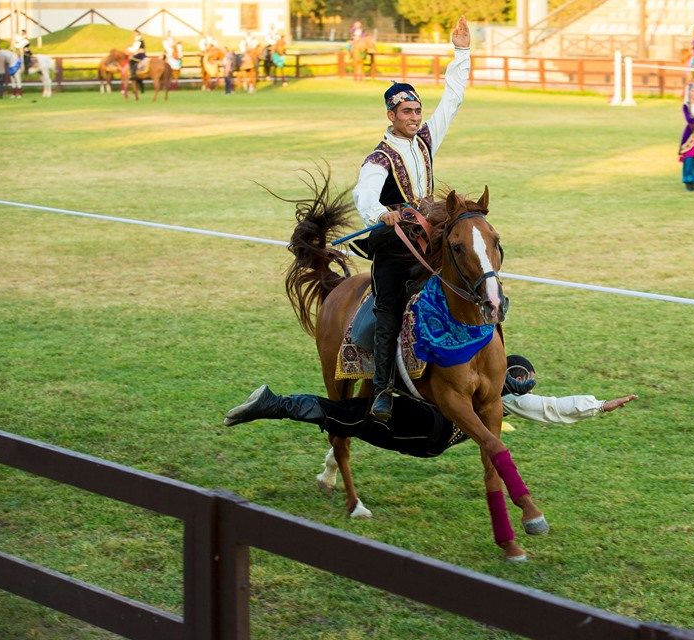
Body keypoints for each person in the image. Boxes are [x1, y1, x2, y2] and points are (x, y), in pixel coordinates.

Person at [350, 16, 471, 423]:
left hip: (429, 238)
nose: (415, 116)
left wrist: (461, 51)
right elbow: (364, 194)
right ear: (391, 114)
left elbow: (452, 99)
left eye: (417, 110)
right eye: (407, 111)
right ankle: (382, 389)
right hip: (394, 245)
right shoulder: (379, 157)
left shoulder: (426, 139)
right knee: (389, 310)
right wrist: (381, 214)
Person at [223, 355, 639, 458]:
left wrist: (600, 405)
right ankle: (274, 404)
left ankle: (274, 404)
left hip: (425, 430)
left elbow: (551, 407)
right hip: (425, 429)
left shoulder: (496, 396)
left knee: (348, 416)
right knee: (349, 417)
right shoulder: (496, 394)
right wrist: (599, 405)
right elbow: (552, 407)